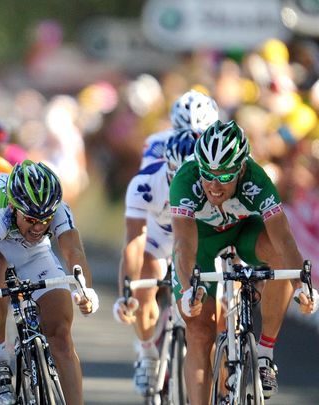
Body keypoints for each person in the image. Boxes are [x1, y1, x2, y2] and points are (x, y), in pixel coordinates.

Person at [170, 120, 319, 403]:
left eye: (225, 177)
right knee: (200, 333)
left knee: (278, 257)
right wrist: (190, 288)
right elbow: (184, 245)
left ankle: (265, 353)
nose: (214, 185)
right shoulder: (185, 181)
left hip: (243, 233)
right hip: (200, 240)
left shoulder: (256, 179)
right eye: (208, 174)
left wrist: (302, 285)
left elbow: (284, 239)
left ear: (241, 168)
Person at [0, 160, 99, 405]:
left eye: (45, 220)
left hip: (32, 252)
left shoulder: (58, 208)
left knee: (61, 333)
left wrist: (85, 290)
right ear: (14, 208)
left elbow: (74, 253)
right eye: (31, 219)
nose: (39, 227)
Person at [114, 129, 197, 396]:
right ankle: (148, 351)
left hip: (197, 237)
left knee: (216, 307)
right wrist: (126, 293)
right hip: (159, 236)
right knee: (144, 280)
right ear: (166, 167)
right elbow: (134, 242)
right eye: (175, 176)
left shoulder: (212, 184)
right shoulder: (145, 182)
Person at [141, 89, 219, 169]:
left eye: (199, 134)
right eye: (183, 134)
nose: (192, 140)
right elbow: (148, 175)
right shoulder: (157, 142)